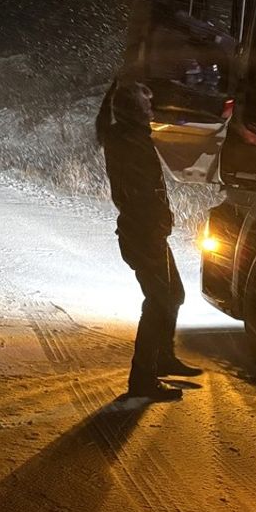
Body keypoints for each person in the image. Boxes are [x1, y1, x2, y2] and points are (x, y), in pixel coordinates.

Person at [96, 79, 202, 401]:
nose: (151, 111)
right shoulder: (130, 142)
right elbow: (143, 193)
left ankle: (162, 358)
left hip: (146, 232)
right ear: (133, 112)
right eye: (146, 107)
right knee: (158, 302)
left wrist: (114, 90)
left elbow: (103, 124)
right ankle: (142, 379)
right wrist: (157, 223)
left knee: (174, 295)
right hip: (143, 234)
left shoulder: (123, 136)